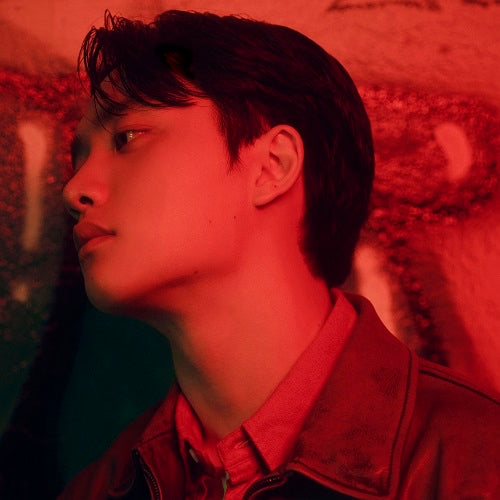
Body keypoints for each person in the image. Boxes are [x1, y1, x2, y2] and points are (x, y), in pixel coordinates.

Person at [60, 9, 498, 499]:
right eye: (79, 156)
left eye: (127, 138)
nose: (74, 190)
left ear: (272, 166)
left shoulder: (480, 464)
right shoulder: (99, 489)